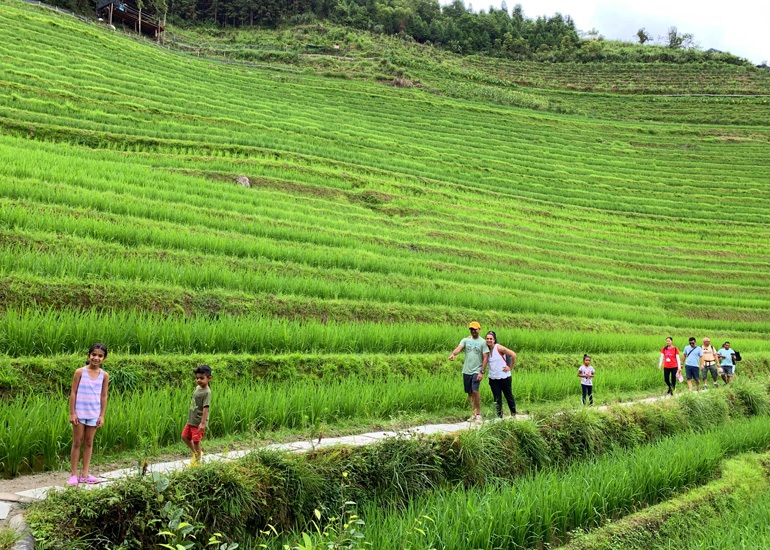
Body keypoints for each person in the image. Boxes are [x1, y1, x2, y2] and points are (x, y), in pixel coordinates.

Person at [68, 343, 110, 487]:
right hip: (79, 413)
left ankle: (85, 474)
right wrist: (72, 412)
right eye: (94, 355)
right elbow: (73, 393)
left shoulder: (104, 375)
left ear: (104, 358)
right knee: (77, 442)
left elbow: (104, 396)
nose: (96, 358)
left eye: (100, 356)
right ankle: (74, 474)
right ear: (89, 355)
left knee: (89, 442)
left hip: (94, 413)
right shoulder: (80, 372)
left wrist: (102, 415)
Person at [449, 321, 489, 422]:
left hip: (476, 370)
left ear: (479, 329)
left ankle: (479, 414)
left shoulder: (483, 342)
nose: (473, 331)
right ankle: (474, 413)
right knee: (469, 393)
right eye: (471, 329)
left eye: (475, 329)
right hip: (466, 370)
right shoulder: (465, 340)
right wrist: (453, 354)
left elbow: (485, 358)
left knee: (475, 390)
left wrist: (481, 372)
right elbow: (459, 348)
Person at [182, 365, 212, 464]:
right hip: (191, 420)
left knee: (196, 441)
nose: (199, 380)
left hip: (198, 422)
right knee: (184, 436)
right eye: (197, 378)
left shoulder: (207, 392)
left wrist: (203, 423)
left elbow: (205, 408)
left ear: (209, 378)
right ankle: (197, 453)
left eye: (202, 378)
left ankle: (198, 461)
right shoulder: (197, 388)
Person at [484, 331, 517, 418]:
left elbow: (513, 354)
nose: (489, 340)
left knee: (508, 396)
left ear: (494, 340)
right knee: (497, 399)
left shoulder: (498, 348)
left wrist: (510, 367)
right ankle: (499, 417)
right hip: (493, 378)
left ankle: (513, 415)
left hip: (504, 377)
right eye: (487, 338)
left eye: (491, 339)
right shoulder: (486, 350)